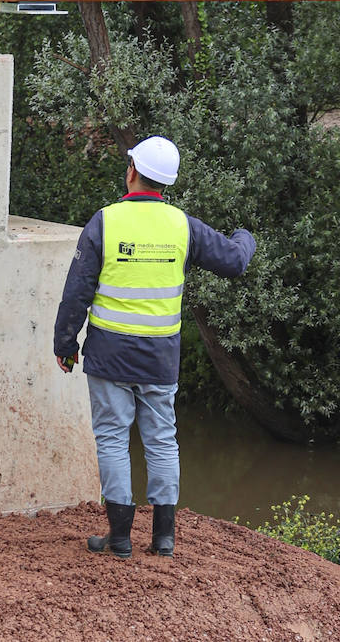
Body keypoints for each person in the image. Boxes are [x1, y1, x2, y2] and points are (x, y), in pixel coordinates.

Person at [53, 134, 256, 560]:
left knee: (111, 438)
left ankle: (121, 538)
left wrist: (66, 344)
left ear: (132, 172)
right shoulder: (182, 225)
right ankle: (164, 539)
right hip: (160, 359)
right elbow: (235, 261)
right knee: (162, 440)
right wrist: (245, 235)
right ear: (166, 184)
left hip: (109, 355)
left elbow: (76, 292)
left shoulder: (105, 222)